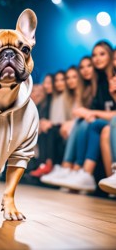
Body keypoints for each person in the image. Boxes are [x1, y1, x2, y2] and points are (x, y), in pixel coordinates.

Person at [41, 40, 116, 192]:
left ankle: (82, 172)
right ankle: (72, 170)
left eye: (102, 54)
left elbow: (100, 112)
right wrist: (88, 114)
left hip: (106, 122)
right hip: (103, 122)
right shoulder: (100, 83)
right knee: (82, 123)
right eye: (94, 55)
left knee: (91, 124)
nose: (97, 59)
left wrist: (91, 113)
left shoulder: (107, 81)